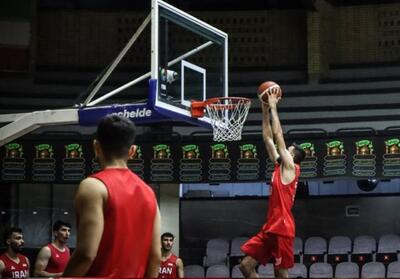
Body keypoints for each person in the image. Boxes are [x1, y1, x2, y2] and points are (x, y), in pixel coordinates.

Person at [63, 115, 161, 277]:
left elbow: (86, 255)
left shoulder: (93, 186)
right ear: (132, 151)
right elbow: (156, 257)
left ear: (96, 146)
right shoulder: (149, 193)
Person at [240, 88, 306, 279]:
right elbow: (268, 138)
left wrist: (275, 107)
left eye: (288, 149)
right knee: (245, 266)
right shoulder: (280, 166)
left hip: (283, 228)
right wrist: (265, 110)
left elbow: (278, 135)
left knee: (280, 273)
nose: (285, 149)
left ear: (292, 155)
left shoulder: (291, 168)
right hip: (270, 226)